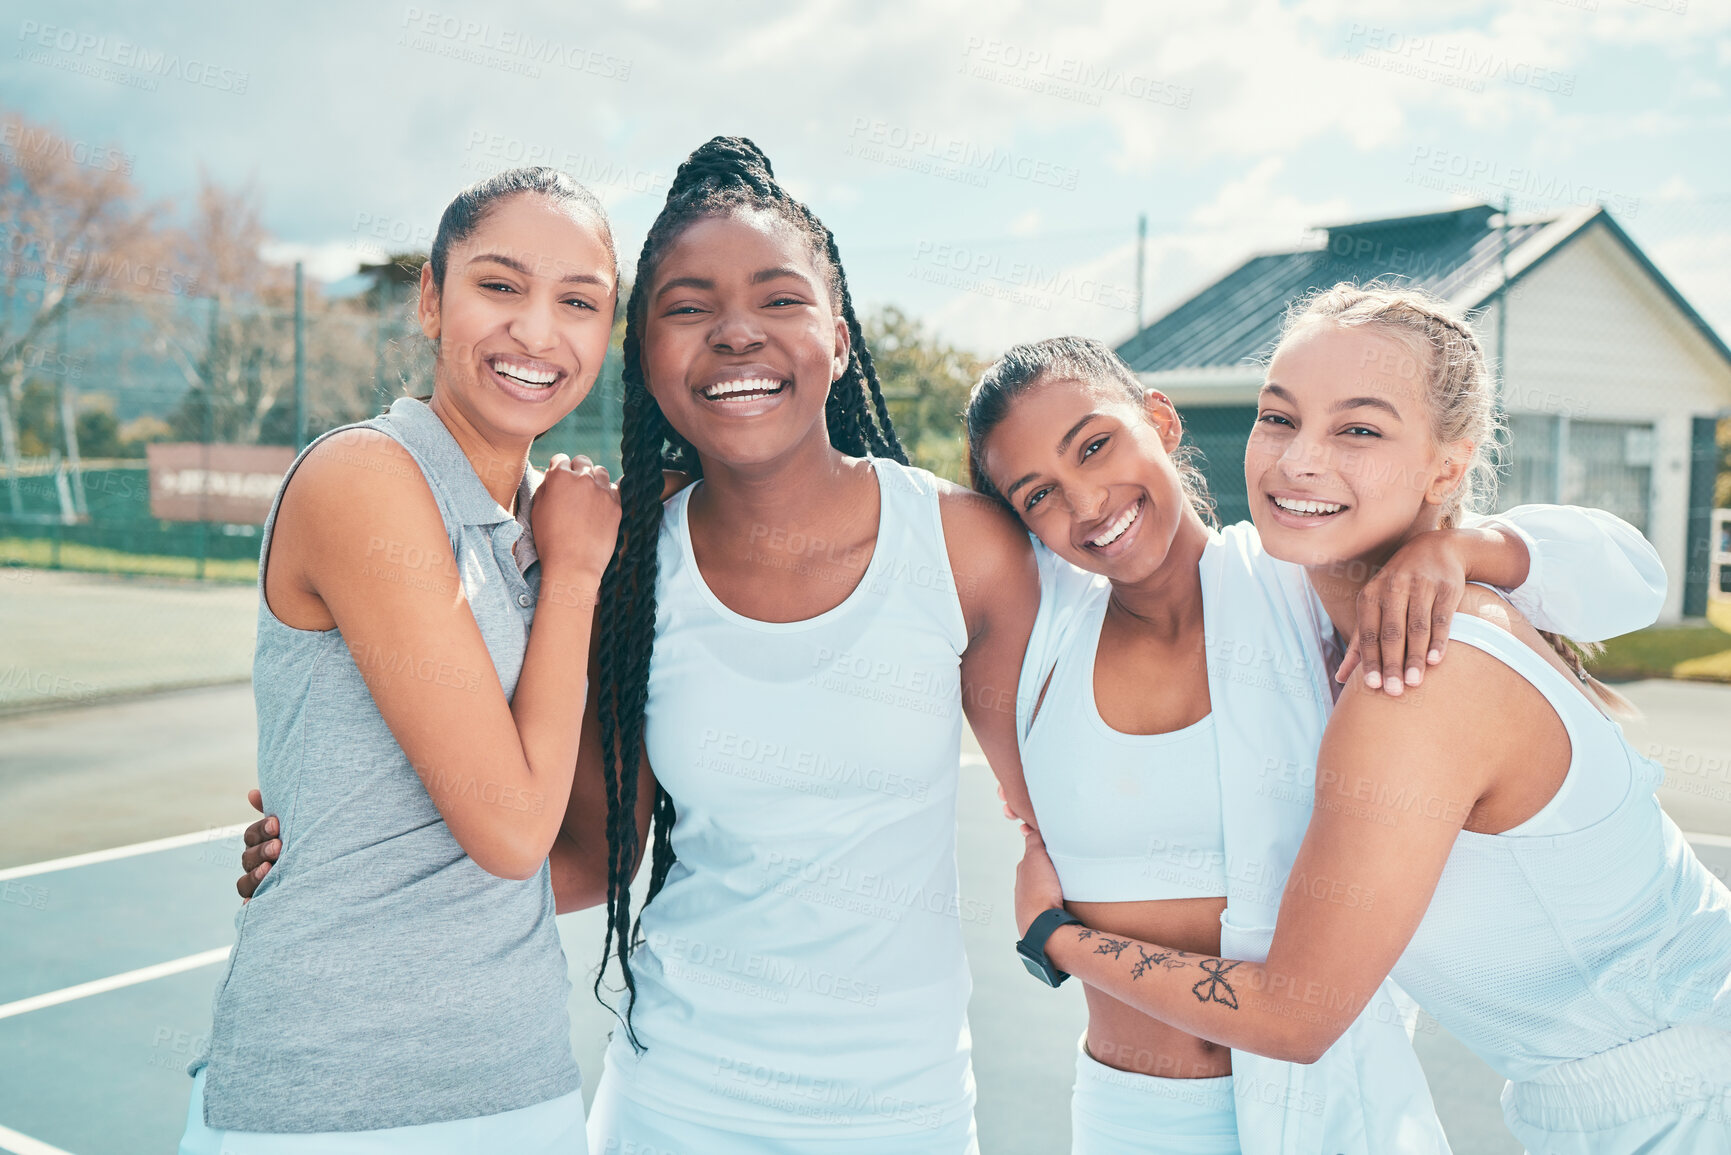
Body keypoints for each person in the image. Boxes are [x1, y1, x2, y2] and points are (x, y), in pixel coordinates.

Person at [1010, 286, 1730, 1154]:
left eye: (1358, 430)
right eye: (1278, 419)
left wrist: (1056, 938)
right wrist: (1457, 545)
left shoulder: (1423, 669)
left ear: (1445, 465)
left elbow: (1291, 1014)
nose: (1297, 462)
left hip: (1690, 1097)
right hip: (1602, 1098)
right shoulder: (1323, 623)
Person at [183, 167, 622, 1154]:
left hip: (520, 1086)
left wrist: (350, 837)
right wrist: (581, 577)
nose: (538, 332)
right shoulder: (365, 476)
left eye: (579, 302)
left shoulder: (553, 524)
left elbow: (576, 856)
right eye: (499, 286)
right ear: (432, 298)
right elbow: (512, 834)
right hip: (325, 1104)